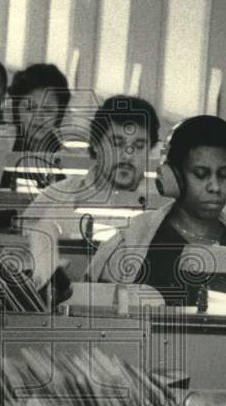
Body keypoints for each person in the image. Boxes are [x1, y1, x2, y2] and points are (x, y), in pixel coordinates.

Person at [88, 115, 226, 309]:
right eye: (201, 174)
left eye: (224, 174)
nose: (215, 186)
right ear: (174, 177)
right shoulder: (129, 243)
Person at [23, 94, 160, 289]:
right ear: (95, 144)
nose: (127, 155)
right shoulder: (54, 198)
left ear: (150, 150)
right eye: (117, 144)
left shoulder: (161, 207)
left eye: (139, 146)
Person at [0, 63, 69, 188]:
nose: (38, 117)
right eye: (30, 108)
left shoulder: (73, 155)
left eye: (48, 110)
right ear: (17, 109)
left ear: (60, 114)